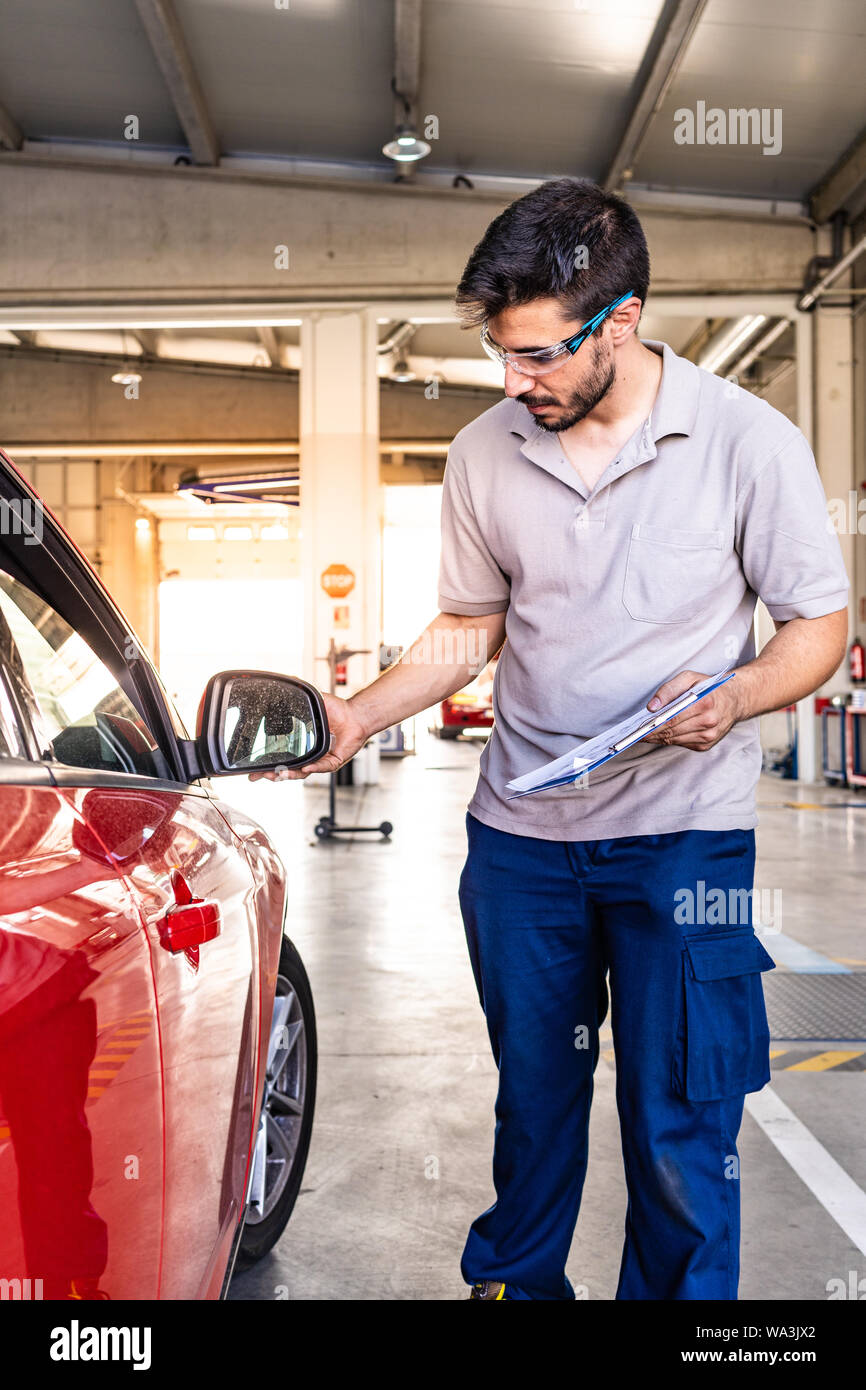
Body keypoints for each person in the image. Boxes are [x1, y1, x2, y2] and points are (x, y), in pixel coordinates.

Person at [253, 178, 849, 1300]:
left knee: (680, 1115)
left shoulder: (743, 442)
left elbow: (817, 621)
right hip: (522, 840)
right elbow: (469, 626)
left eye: (534, 356)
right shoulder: (486, 452)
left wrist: (737, 695)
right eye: (499, 354)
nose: (513, 381)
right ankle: (514, 1289)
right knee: (532, 1102)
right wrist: (354, 717)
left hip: (682, 839)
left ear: (616, 323)